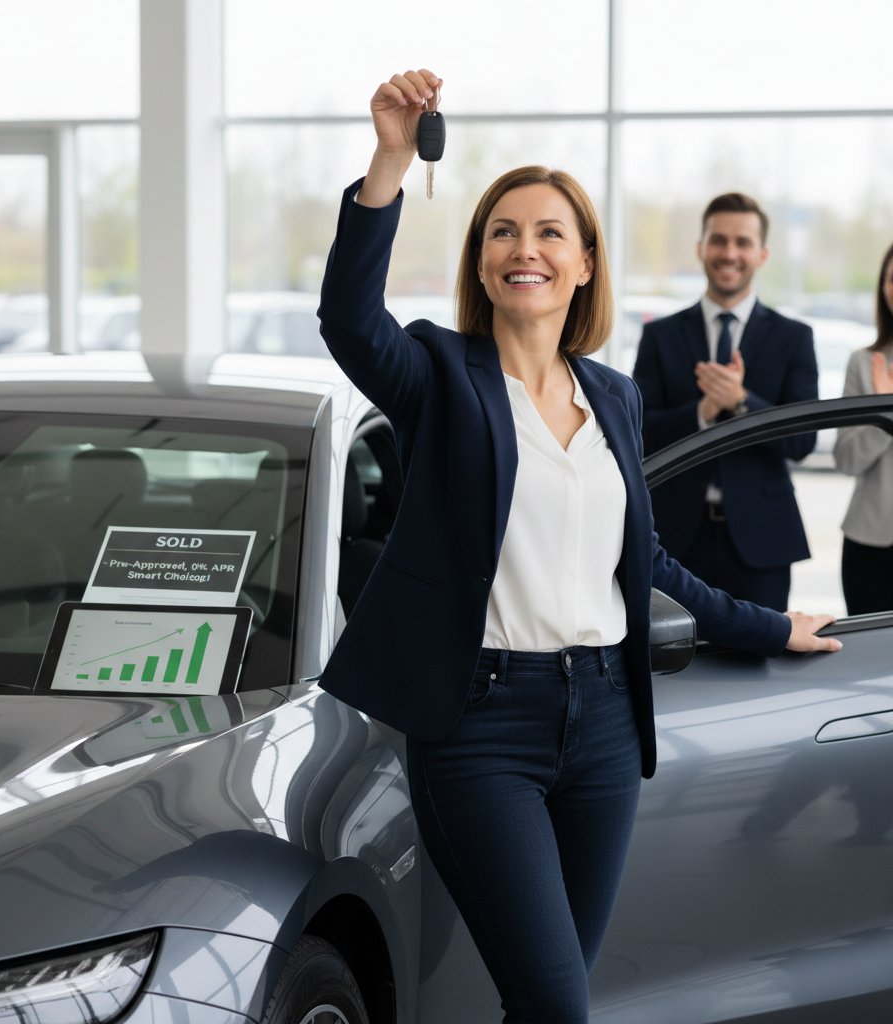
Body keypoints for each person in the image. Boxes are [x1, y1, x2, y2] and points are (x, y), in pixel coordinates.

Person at [316, 68, 841, 1024]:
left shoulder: (615, 396)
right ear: (481, 263)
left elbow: (644, 561)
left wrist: (772, 626)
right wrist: (392, 159)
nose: (527, 248)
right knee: (559, 1009)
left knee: (549, 1003)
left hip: (602, 722)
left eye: (550, 231)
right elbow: (350, 322)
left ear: (587, 263)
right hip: (480, 730)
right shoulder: (441, 375)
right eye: (504, 232)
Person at [631, 193, 819, 612]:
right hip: (675, 539)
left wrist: (741, 401)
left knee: (760, 664)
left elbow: (803, 440)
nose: (729, 253)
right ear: (701, 248)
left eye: (743, 242)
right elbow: (639, 431)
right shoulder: (660, 335)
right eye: (718, 240)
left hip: (762, 538)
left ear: (762, 253)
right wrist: (702, 413)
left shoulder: (794, 337)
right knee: (674, 666)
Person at [833, 241, 893, 615]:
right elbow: (846, 459)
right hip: (869, 543)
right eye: (890, 279)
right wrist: (887, 416)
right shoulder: (863, 362)